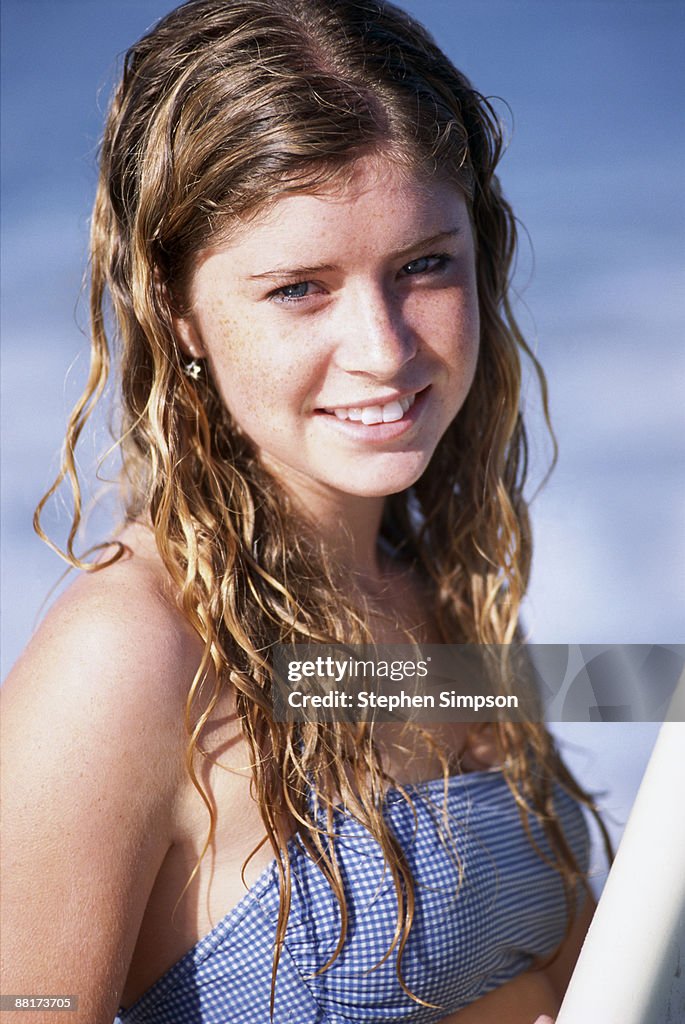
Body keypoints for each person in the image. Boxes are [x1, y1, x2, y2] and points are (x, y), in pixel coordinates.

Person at [1, 1, 609, 1021]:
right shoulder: (131, 654)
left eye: (424, 265)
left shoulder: (441, 590)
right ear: (174, 308)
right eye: (299, 288)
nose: (383, 347)